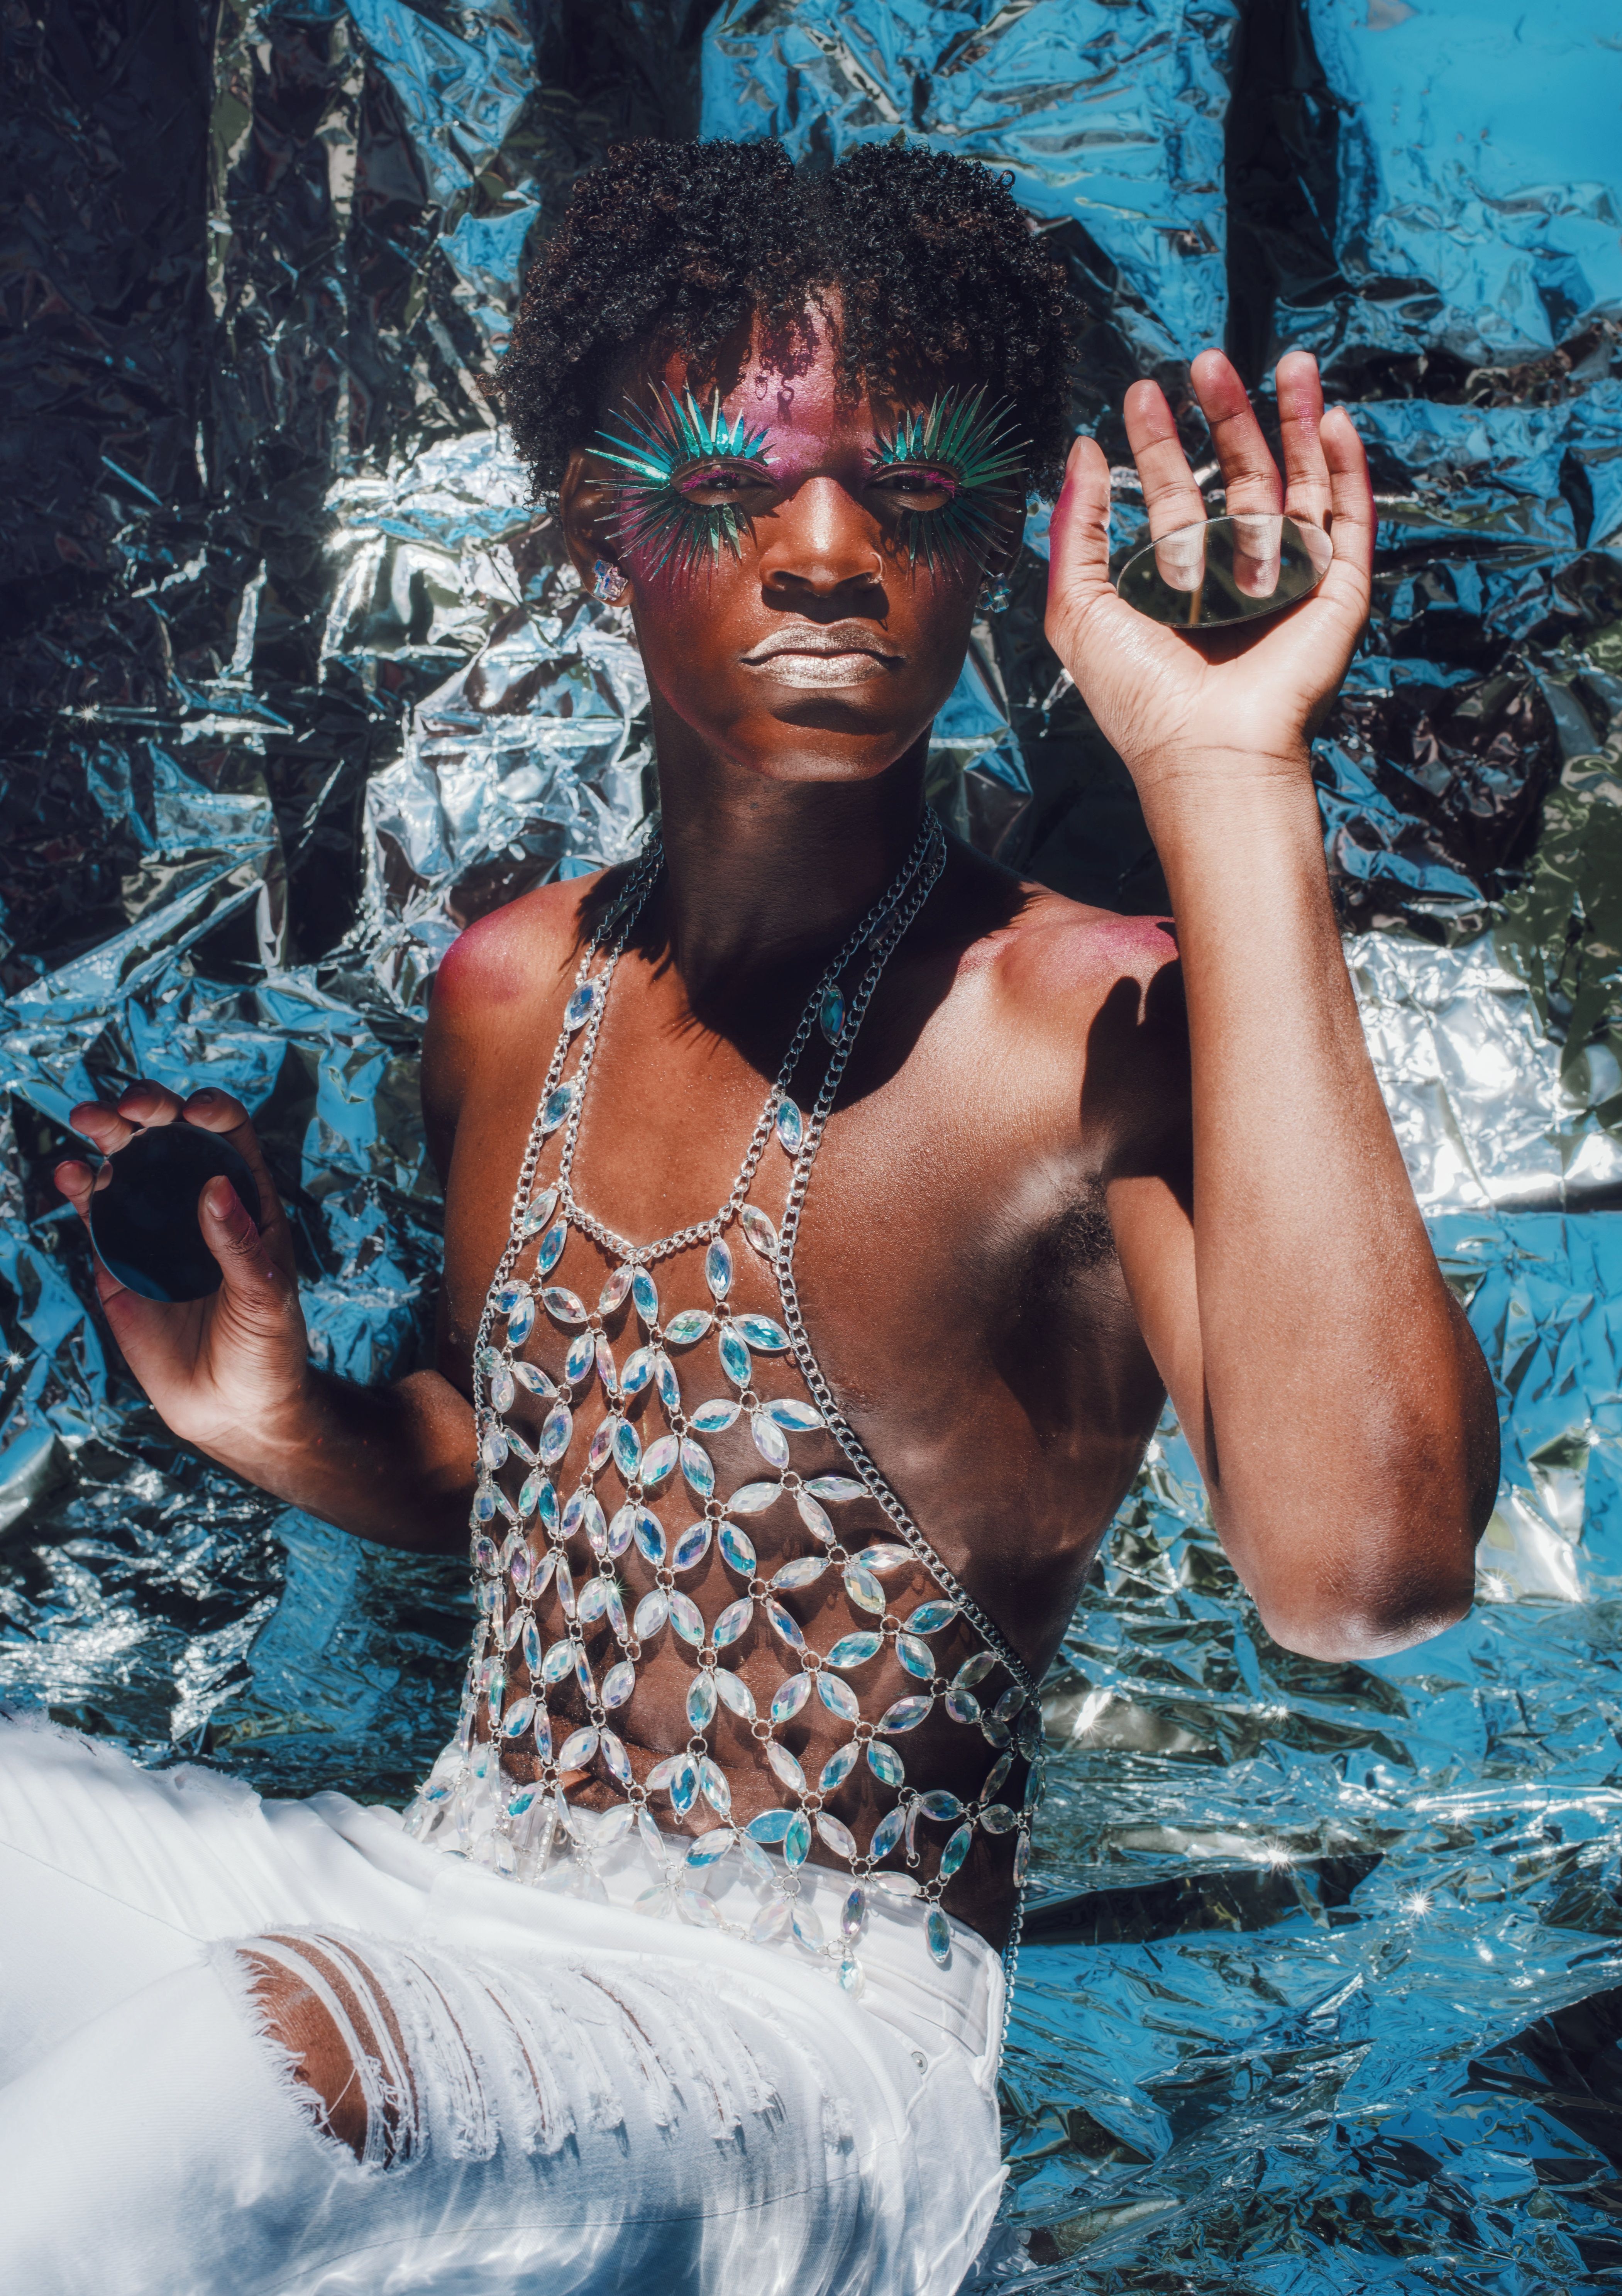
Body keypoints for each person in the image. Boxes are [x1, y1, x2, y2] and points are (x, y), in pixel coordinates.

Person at [3, 137, 1497, 2294]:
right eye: (728, 483)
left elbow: (1370, 1575)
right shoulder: (512, 988)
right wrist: (281, 1421)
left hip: (812, 2053)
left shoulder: (1088, 1022)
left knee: (239, 2094)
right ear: (597, 524)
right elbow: (540, 1475)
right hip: (448, 1886)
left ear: (996, 548)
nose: (822, 554)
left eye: (909, 495)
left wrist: (1233, 772)